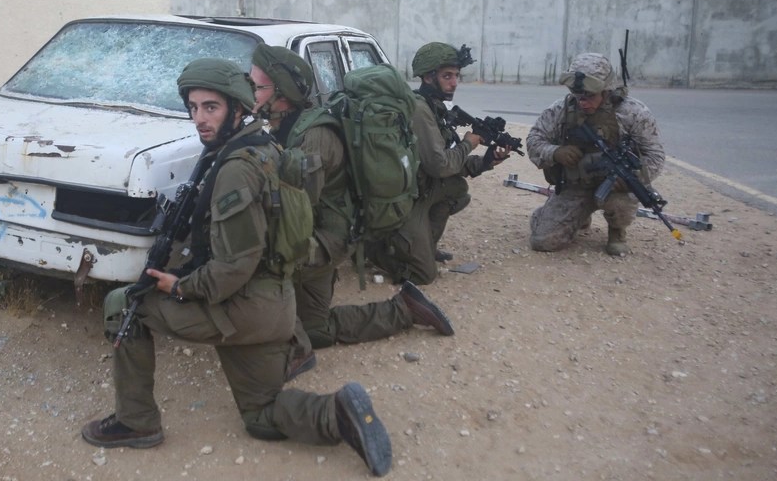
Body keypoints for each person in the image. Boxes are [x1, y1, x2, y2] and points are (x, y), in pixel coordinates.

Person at [83, 58, 392, 477]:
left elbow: (233, 267)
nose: (199, 119)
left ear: (238, 108)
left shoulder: (234, 170)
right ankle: (336, 413)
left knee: (124, 303)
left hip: (243, 306)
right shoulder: (266, 149)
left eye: (211, 107)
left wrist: (179, 287)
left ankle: (135, 422)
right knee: (261, 415)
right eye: (193, 108)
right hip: (276, 306)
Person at [249, 45, 456, 380]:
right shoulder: (292, 126)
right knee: (316, 329)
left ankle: (291, 352)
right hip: (330, 232)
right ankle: (403, 308)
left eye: (258, 86)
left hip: (326, 241)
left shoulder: (311, 140)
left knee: (254, 261)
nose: (251, 92)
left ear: (282, 93)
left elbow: (292, 221)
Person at [366, 41, 509, 286]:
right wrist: (469, 143)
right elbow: (441, 166)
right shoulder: (420, 110)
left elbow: (449, 161)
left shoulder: (434, 106)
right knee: (424, 275)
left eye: (456, 76)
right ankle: (377, 250)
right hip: (405, 198)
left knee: (457, 191)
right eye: (447, 76)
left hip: (422, 188)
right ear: (428, 77)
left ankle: (424, 246)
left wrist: (486, 161)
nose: (454, 82)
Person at [526, 52, 665, 255]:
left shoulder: (633, 113)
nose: (582, 102)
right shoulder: (560, 110)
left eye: (590, 96)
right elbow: (534, 140)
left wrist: (631, 177)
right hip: (576, 186)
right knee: (542, 241)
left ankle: (617, 231)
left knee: (620, 201)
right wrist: (555, 152)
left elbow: (655, 155)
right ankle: (577, 216)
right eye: (578, 95)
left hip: (614, 189)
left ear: (606, 91)